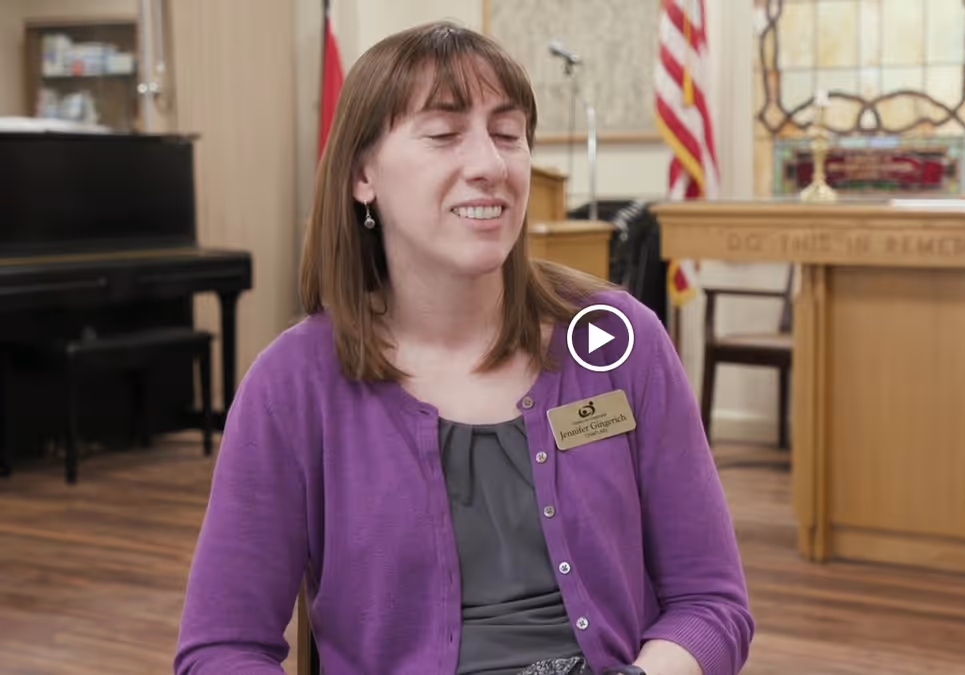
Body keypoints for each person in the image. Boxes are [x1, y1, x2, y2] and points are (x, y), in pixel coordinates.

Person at [174, 21, 753, 675]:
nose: (491, 164)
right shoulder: (293, 382)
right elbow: (221, 649)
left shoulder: (617, 341)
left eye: (508, 135)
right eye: (445, 135)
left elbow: (710, 601)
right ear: (363, 175)